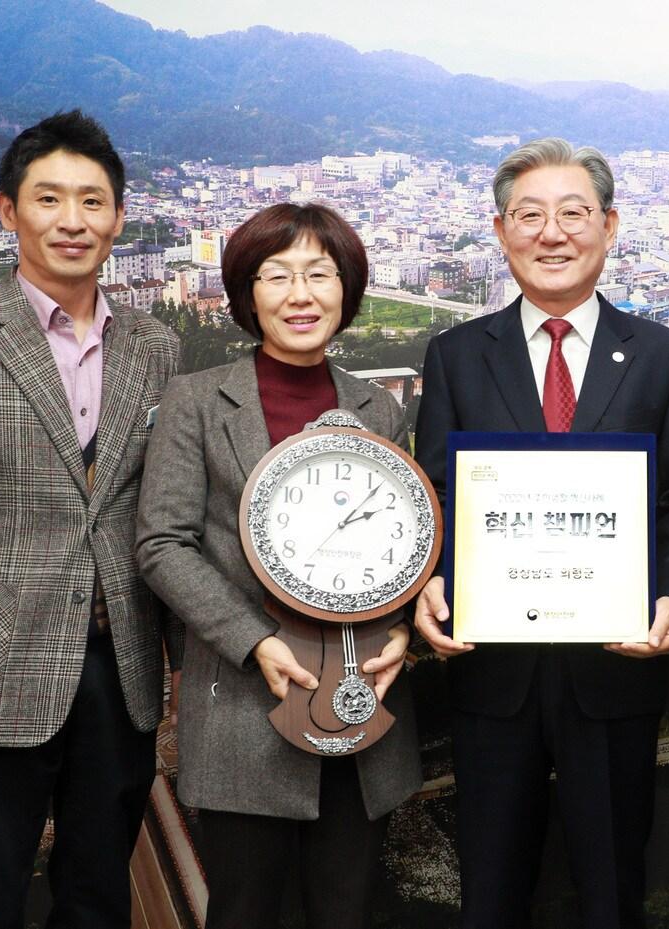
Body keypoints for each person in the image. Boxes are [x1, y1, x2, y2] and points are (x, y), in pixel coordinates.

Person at [411, 138, 669, 929]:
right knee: (490, 887)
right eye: (530, 215)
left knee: (613, 889)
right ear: (500, 230)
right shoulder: (452, 356)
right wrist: (432, 579)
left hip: (616, 671)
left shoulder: (664, 355)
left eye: (574, 213)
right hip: (490, 675)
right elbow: (435, 497)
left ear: (609, 227)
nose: (553, 233)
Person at [0, 110, 179, 929]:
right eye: (50, 198)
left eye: (93, 201)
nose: (73, 220)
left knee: (96, 893)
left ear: (119, 218)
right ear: (9, 211)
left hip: (120, 667)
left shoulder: (155, 346)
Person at [135, 202, 421, 929]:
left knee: (346, 909)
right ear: (246, 293)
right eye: (278, 275)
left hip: (361, 706)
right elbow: (162, 543)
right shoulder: (196, 401)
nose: (301, 294)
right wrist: (253, 639)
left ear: (347, 289)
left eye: (319, 274)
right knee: (247, 912)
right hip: (242, 709)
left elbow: (398, 545)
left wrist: (401, 634)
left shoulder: (377, 411)